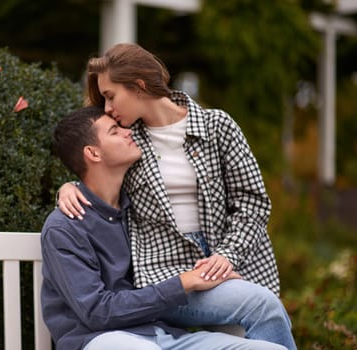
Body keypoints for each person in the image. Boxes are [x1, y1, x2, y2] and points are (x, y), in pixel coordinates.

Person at [41, 105, 294, 350]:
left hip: (161, 334)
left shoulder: (138, 209)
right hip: (99, 339)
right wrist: (184, 283)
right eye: (115, 132)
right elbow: (97, 312)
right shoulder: (64, 228)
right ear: (93, 153)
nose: (128, 131)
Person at [57, 43, 281, 297]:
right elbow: (98, 173)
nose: (107, 108)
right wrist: (69, 187)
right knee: (260, 305)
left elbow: (253, 202)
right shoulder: (129, 144)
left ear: (138, 86)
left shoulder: (217, 126)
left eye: (111, 96)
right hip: (169, 275)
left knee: (261, 306)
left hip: (236, 262)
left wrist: (226, 256)